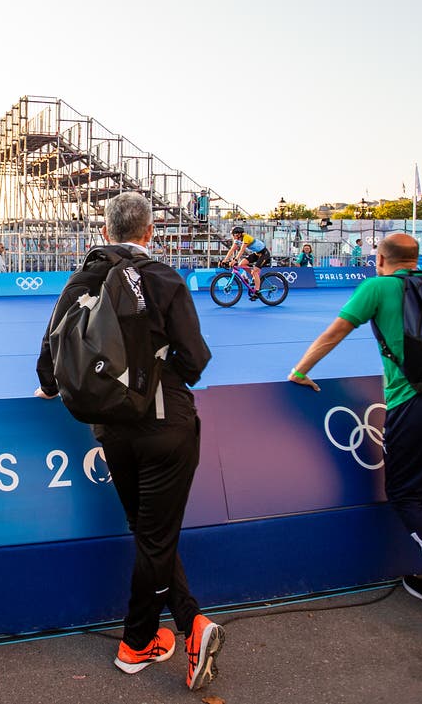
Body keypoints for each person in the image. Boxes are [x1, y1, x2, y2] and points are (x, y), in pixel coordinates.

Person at [35, 192, 224, 691]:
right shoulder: (163, 278)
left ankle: (162, 634)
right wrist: (161, 371)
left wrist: (52, 387)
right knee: (156, 536)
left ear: (103, 232)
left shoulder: (79, 281)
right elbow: (196, 360)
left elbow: (49, 359)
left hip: (111, 433)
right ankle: (162, 634)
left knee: (148, 533)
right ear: (149, 234)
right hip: (166, 426)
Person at [287, 232, 422, 642]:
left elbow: (334, 333)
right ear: (416, 258)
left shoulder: (378, 286)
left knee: (406, 496)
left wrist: (299, 370)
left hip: (414, 405)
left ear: (380, 260)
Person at [221, 225, 269, 294]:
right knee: (242, 264)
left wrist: (235, 260)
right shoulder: (237, 239)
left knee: (255, 271)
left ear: (239, 234)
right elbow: (232, 249)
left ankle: (257, 291)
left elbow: (242, 250)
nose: (233, 236)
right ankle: (254, 276)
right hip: (257, 253)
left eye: (234, 235)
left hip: (264, 254)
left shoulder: (246, 237)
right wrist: (225, 260)